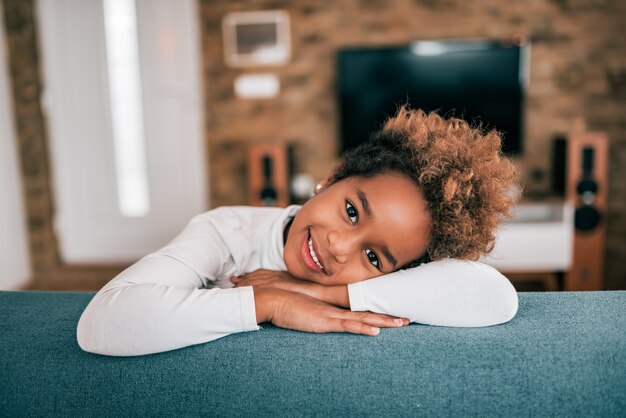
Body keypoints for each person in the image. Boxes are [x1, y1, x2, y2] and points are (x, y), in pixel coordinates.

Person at [77, 107, 519, 357]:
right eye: (350, 210)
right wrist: (269, 302)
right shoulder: (226, 231)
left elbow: (495, 297)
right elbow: (100, 324)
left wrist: (322, 294)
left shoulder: (380, 285)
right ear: (330, 178)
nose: (339, 247)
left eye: (374, 258)